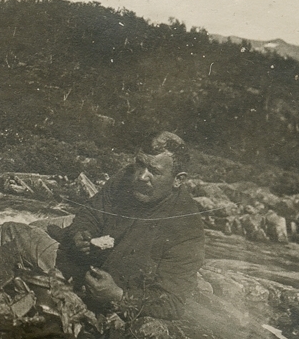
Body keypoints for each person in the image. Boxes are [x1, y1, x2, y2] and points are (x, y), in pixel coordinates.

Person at [51, 131, 204, 320]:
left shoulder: (188, 228)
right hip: (89, 262)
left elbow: (173, 303)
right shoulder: (126, 177)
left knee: (13, 233)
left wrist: (118, 296)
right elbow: (92, 211)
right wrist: (80, 232)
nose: (141, 177)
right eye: (140, 164)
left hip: (112, 287)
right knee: (45, 225)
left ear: (178, 180)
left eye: (154, 172)